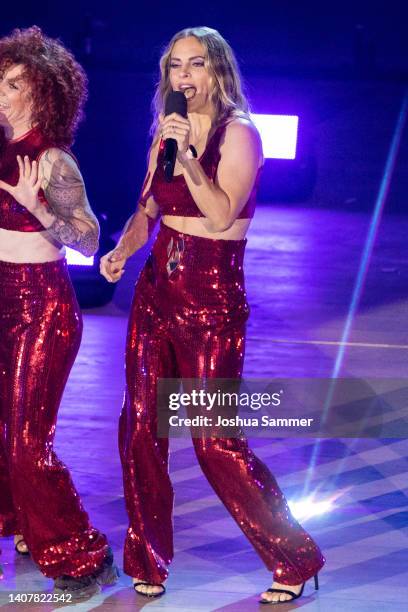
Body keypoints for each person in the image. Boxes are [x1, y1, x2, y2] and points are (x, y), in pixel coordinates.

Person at [100, 26, 326, 604]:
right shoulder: (164, 137)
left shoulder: (241, 134)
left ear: (217, 71)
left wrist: (192, 160)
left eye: (196, 64)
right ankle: (147, 558)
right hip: (156, 291)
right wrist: (123, 252)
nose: (184, 76)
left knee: (212, 439)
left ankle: (294, 557)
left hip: (211, 297)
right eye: (175, 65)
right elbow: (147, 210)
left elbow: (223, 216)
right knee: (140, 429)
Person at [0, 26, 118, 600]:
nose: (1, 92)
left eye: (14, 84)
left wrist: (35, 207)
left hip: (39, 307)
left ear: (41, 93)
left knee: (27, 439)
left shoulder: (52, 161)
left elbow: (89, 241)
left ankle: (83, 556)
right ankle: (24, 521)